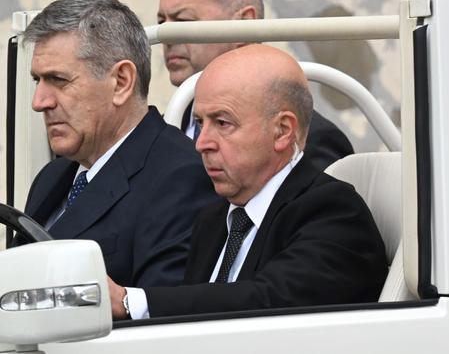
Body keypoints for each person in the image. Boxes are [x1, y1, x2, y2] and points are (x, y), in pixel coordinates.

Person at [109, 45, 388, 319]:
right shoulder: (214, 219)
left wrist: (130, 302)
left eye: (222, 123)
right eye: (199, 123)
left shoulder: (333, 212)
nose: (201, 143)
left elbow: (268, 302)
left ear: (282, 131)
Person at [20, 0, 219, 287]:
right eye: (38, 81)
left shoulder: (181, 176)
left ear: (121, 82)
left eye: (59, 80)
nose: (39, 101)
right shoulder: (53, 176)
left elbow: (161, 317)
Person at [157, 0, 354, 170]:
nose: (167, 36)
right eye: (161, 23)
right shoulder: (168, 125)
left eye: (183, 20)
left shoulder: (308, 140)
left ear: (245, 24)